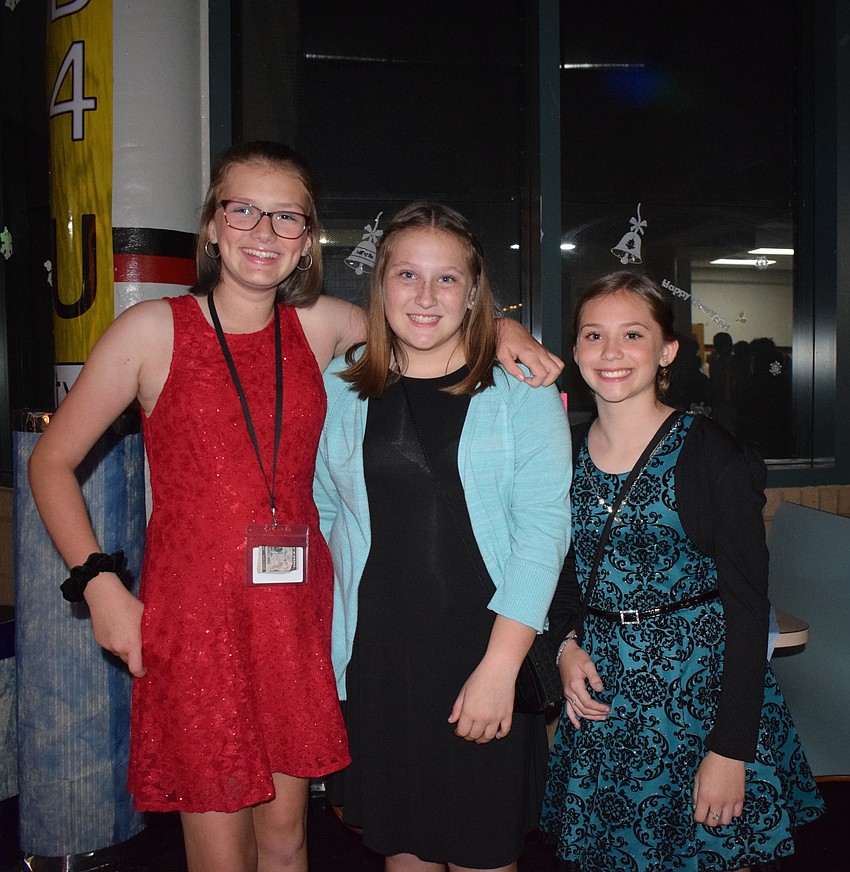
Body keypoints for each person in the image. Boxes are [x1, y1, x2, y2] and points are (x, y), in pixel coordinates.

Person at [26, 142, 564, 872]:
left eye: (286, 217)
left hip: (297, 617)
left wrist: (505, 329)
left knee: (287, 841)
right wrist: (99, 586)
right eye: (242, 210)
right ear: (211, 225)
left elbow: (427, 317)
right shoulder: (151, 330)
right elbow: (50, 462)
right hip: (199, 620)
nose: (263, 232)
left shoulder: (320, 328)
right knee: (222, 849)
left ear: (307, 239)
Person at [313, 202, 571, 872]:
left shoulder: (521, 390)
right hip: (379, 661)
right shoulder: (341, 385)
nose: (425, 296)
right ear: (381, 284)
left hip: (483, 651)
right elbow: (327, 517)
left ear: (474, 291)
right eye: (407, 274)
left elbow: (543, 533)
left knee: (484, 851)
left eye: (446, 278)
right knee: (404, 850)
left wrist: (500, 668)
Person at [540, 271, 823, 871]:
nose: (610, 352)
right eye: (593, 335)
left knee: (713, 853)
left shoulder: (710, 452)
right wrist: (563, 647)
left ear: (666, 351)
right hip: (605, 699)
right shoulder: (561, 450)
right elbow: (559, 574)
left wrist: (730, 750)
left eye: (632, 334)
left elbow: (747, 608)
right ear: (576, 351)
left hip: (700, 697)